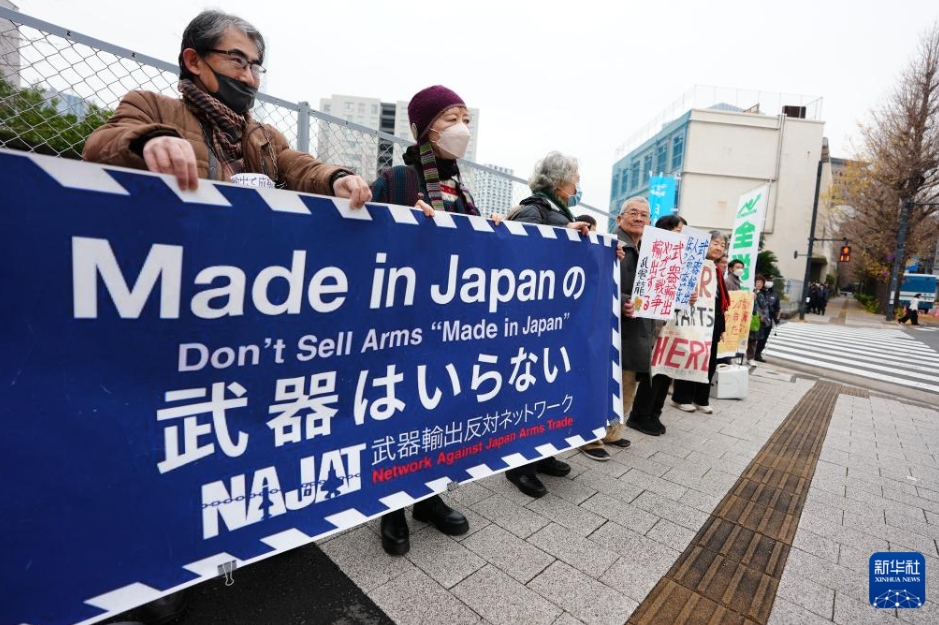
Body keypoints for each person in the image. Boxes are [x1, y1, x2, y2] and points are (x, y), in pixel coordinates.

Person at [83, 10, 371, 207]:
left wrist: (336, 178)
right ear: (194, 61)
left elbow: (301, 167)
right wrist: (150, 139)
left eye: (255, 67)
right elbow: (100, 145)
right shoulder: (150, 107)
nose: (249, 77)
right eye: (237, 61)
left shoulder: (266, 139)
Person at [366, 85, 485, 555]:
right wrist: (398, 220)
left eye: (466, 118)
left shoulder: (462, 189)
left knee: (440, 411)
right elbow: (362, 237)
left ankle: (430, 498)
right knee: (399, 413)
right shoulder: (397, 180)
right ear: (425, 128)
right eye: (452, 117)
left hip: (451, 326)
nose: (463, 128)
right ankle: (391, 506)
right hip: (400, 326)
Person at [503, 151, 619, 492]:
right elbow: (523, 260)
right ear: (559, 181)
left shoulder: (559, 213)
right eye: (575, 176)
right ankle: (518, 464)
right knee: (528, 393)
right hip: (531, 325)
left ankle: (543, 452)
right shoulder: (532, 211)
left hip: (556, 324)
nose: (578, 182)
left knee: (551, 390)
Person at [599, 197, 658, 443]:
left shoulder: (650, 251)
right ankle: (592, 437)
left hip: (638, 331)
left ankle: (612, 433)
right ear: (619, 219)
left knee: (627, 383)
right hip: (611, 330)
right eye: (633, 213)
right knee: (604, 386)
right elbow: (597, 283)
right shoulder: (608, 245)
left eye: (644, 215)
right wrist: (623, 299)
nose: (639, 218)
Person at [625, 213, 689, 436]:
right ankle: (640, 415)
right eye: (679, 232)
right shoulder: (652, 250)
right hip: (652, 324)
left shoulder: (678, 256)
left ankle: (654, 413)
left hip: (670, 322)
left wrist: (686, 296)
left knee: (666, 370)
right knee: (655, 370)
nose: (682, 238)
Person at [671, 230, 729, 414]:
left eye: (723, 245)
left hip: (712, 321)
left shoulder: (716, 269)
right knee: (691, 357)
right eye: (716, 243)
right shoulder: (693, 264)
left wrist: (721, 327)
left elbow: (720, 301)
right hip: (693, 320)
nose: (719, 247)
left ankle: (701, 398)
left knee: (709, 360)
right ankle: (681, 397)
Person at [754, 275, 780, 362]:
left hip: (768, 319)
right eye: (767, 280)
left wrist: (777, 317)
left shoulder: (775, 293)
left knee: (763, 338)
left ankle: (758, 354)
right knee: (753, 337)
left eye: (771, 280)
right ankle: (750, 354)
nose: (769, 282)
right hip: (757, 317)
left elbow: (777, 307)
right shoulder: (759, 291)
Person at [746, 275, 771, 366]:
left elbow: (764, 307)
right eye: (757, 282)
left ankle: (750, 357)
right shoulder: (748, 290)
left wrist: (763, 317)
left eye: (761, 282)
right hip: (746, 317)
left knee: (753, 340)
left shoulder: (762, 294)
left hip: (755, 320)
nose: (759, 284)